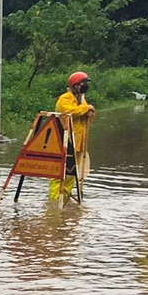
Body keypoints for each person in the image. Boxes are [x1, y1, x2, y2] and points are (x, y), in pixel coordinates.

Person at [50, 71, 96, 202]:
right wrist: (87, 108)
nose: (85, 86)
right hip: (65, 141)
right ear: (76, 85)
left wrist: (90, 112)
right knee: (58, 175)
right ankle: (53, 203)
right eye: (84, 83)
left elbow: (87, 117)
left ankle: (65, 200)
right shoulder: (64, 99)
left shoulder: (81, 99)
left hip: (79, 143)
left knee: (72, 174)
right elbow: (70, 112)